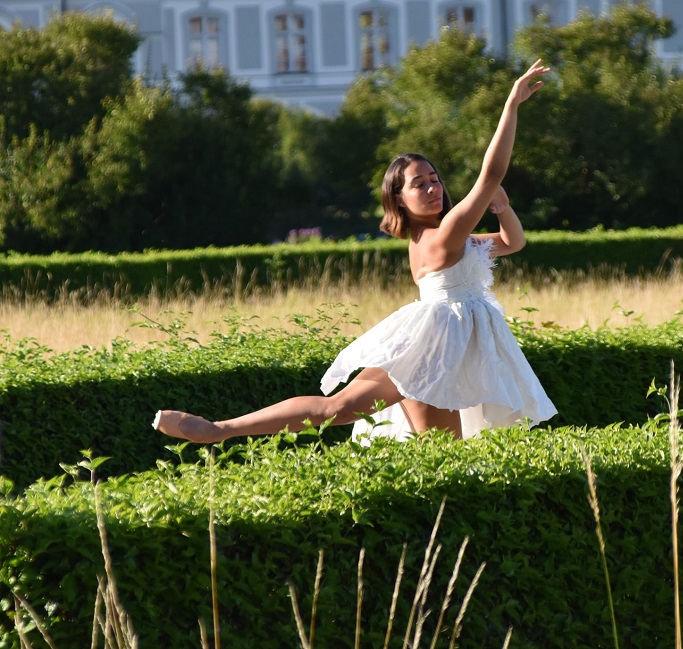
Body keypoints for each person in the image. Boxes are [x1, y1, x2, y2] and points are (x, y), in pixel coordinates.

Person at [153, 59, 557, 445]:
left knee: (353, 414)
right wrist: (510, 105)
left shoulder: (449, 237)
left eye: (434, 179)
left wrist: (503, 208)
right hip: (436, 349)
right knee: (382, 426)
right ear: (399, 200)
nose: (433, 188)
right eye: (419, 184)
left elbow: (512, 243)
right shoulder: (444, 236)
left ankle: (220, 429)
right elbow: (492, 173)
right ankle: (218, 429)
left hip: (435, 345)